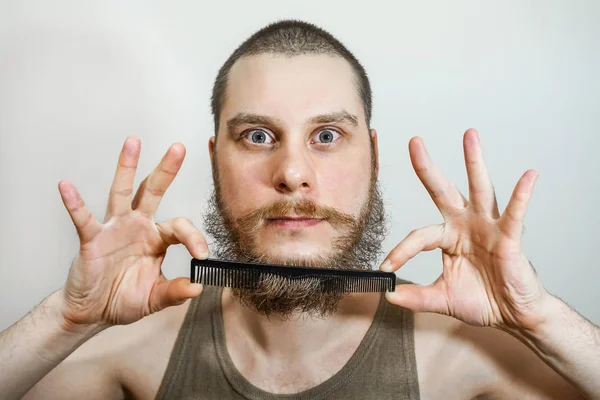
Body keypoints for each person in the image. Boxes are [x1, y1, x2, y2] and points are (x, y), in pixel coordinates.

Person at [0, 19, 598, 400]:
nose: (292, 173)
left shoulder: (461, 358)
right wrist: (69, 319)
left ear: (374, 157)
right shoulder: (134, 351)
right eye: (257, 136)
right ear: (216, 161)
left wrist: (539, 319)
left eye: (328, 135)